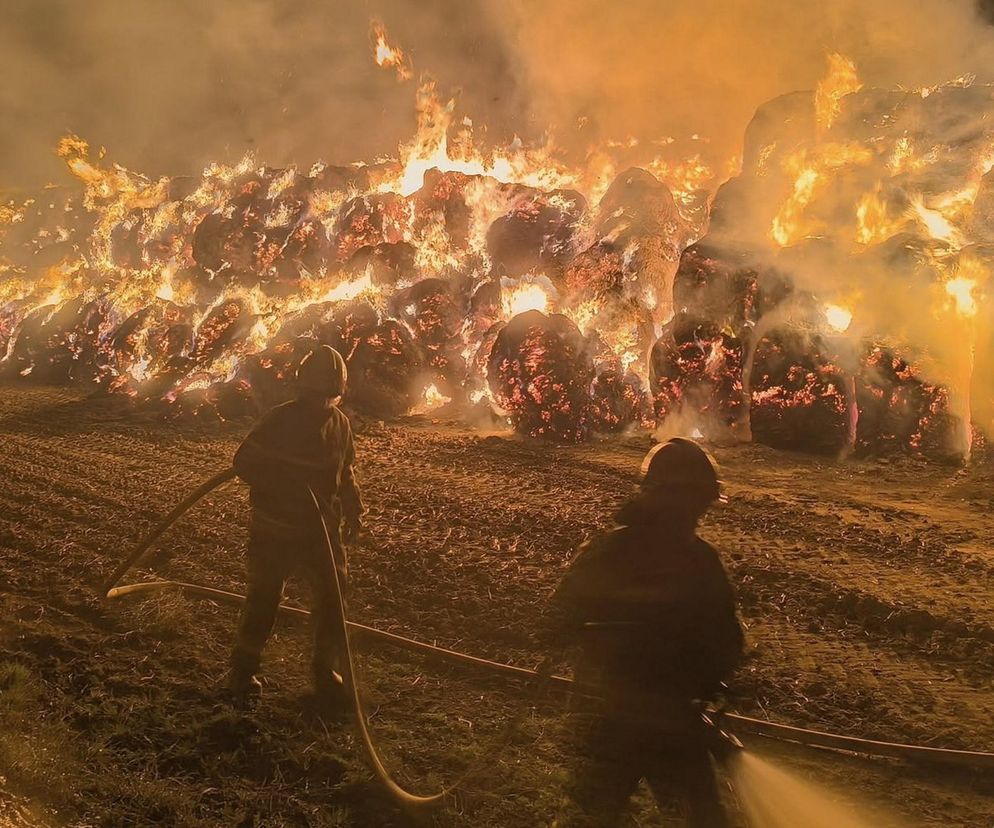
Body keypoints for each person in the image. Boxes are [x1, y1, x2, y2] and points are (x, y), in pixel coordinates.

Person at [549, 437, 743, 828]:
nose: (695, 515)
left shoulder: (611, 551)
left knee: (590, 816)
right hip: (655, 721)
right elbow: (728, 643)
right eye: (694, 505)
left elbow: (555, 619)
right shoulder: (699, 561)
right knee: (700, 817)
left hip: (617, 717)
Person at [228, 344, 363, 708]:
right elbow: (244, 463)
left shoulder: (340, 424)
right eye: (314, 396)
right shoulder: (279, 420)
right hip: (275, 528)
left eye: (326, 397)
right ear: (302, 390)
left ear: (337, 394)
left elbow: (345, 471)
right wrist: (285, 483)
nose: (320, 404)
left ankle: (325, 673)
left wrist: (352, 508)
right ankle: (242, 672)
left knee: (334, 601)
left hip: (321, 530)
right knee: (264, 600)